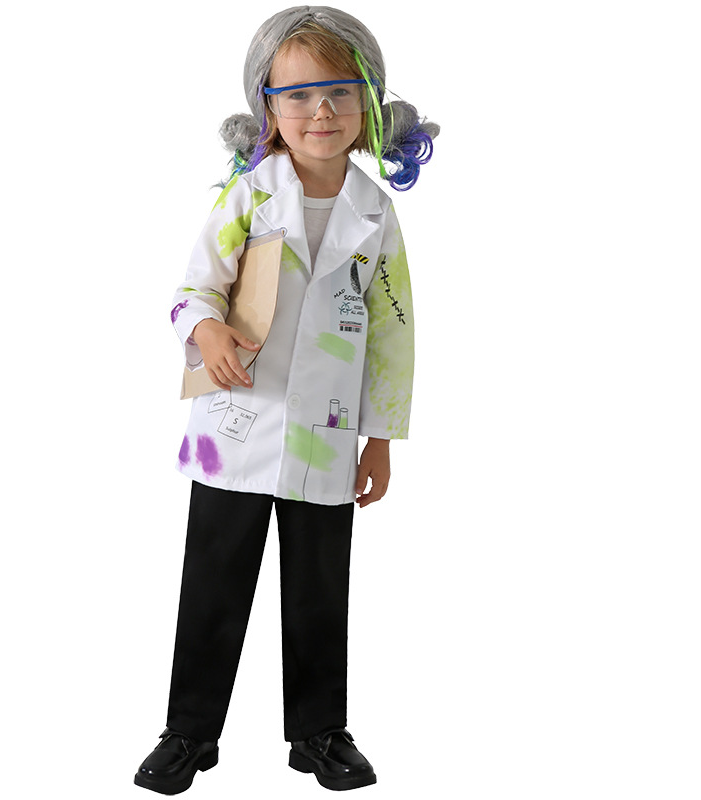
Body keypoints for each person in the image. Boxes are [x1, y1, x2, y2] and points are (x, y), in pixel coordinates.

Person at [134, 5, 439, 794]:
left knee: (318, 592)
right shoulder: (248, 196)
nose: (322, 112)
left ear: (369, 102)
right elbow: (192, 291)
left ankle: (319, 732)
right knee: (213, 587)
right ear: (267, 106)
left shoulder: (376, 214)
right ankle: (189, 732)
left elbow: (393, 332)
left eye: (340, 92)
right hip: (235, 427)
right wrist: (205, 332)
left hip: (326, 436)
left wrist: (380, 438)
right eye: (299, 95)